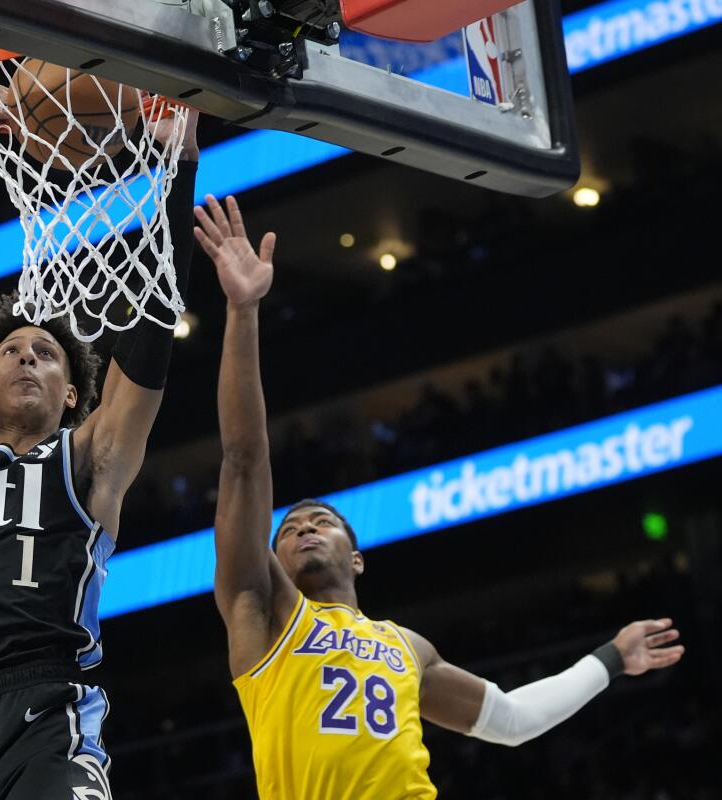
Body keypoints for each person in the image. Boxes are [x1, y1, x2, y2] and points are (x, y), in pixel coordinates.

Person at [194, 193, 686, 800]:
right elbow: (244, 460)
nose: (304, 528)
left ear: (357, 557)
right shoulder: (264, 610)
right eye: (289, 529)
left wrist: (612, 657)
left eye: (322, 520)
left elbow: (509, 719)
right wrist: (243, 311)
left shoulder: (408, 647)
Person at [0, 78, 198, 800]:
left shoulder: (90, 461)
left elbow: (150, 336)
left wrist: (176, 172)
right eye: (12, 352)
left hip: (43, 709)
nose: (28, 355)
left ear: (71, 396)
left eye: (47, 354)